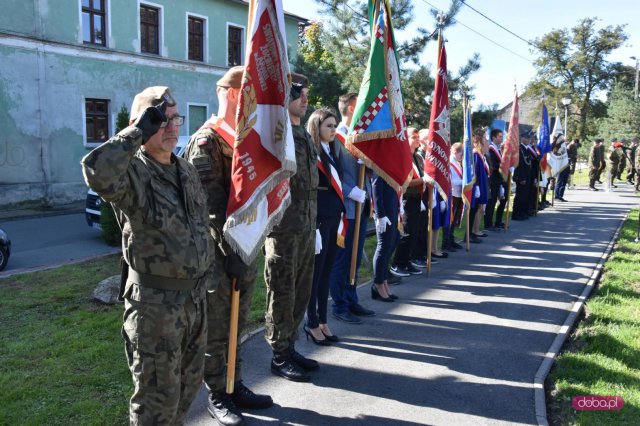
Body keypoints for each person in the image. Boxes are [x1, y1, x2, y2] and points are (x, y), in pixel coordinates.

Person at [81, 86, 212, 424]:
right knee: (156, 402)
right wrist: (137, 131)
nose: (170, 128)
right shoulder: (133, 173)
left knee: (188, 387)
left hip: (194, 303)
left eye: (174, 119)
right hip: (155, 310)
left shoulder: (185, 170)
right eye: (160, 120)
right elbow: (97, 172)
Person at [183, 67, 272, 426]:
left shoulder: (242, 138)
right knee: (218, 326)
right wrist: (230, 250)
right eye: (251, 98)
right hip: (218, 254)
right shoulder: (208, 140)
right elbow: (210, 208)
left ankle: (235, 384)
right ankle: (217, 393)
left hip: (243, 248)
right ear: (235, 95)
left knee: (239, 318)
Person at [264, 72, 320, 382]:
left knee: (301, 292)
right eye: (297, 92)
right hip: (283, 231)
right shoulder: (277, 133)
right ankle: (278, 354)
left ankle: (290, 344)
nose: (304, 97)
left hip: (306, 228)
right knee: (282, 293)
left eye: (305, 91)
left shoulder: (303, 136)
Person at [330, 93, 376, 324]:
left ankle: (351, 297)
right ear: (350, 108)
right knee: (342, 258)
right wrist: (350, 191)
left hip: (362, 204)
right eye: (360, 105)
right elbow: (332, 173)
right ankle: (339, 304)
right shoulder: (336, 138)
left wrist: (370, 165)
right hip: (346, 208)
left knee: (355, 257)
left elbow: (373, 170)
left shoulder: (359, 137)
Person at [303, 108, 345, 345]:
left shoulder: (331, 151)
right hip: (319, 220)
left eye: (334, 125)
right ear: (317, 127)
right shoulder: (313, 152)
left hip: (333, 218)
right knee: (315, 274)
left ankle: (322, 320)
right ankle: (311, 323)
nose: (333, 130)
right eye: (328, 125)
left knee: (326, 272)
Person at [390, 127, 425, 276]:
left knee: (415, 231)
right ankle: (398, 263)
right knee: (407, 232)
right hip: (406, 198)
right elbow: (404, 182)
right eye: (414, 137)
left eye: (418, 137)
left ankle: (407, 260)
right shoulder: (403, 156)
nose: (417, 139)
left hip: (418, 198)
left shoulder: (417, 157)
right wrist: (422, 180)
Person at [371, 172, 400, 302]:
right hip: (384, 211)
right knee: (383, 247)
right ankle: (378, 284)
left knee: (390, 244)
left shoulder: (390, 164)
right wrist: (380, 214)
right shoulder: (380, 163)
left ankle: (384, 281)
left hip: (392, 207)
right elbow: (376, 186)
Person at [469, 129, 489, 239]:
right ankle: (472, 232)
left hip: (482, 186)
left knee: (479, 208)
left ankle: (476, 230)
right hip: (477, 187)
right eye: (485, 141)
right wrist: (476, 186)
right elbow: (474, 172)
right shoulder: (476, 155)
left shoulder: (482, 156)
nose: (487, 144)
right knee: (475, 209)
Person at [484, 129, 507, 229]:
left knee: (502, 200)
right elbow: (492, 164)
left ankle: (498, 221)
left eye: (502, 136)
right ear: (493, 137)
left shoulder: (498, 149)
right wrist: (503, 165)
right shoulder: (490, 149)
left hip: (500, 179)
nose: (501, 138)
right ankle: (488, 223)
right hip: (493, 179)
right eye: (499, 136)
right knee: (492, 201)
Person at [445, 143, 464, 250]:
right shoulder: (450, 162)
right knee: (450, 219)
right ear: (455, 152)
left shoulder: (457, 162)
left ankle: (451, 239)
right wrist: (463, 182)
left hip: (458, 194)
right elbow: (450, 181)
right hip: (452, 194)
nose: (462, 156)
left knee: (454, 219)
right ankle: (446, 242)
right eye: (461, 153)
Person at [512, 130, 533, 220]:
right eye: (527, 138)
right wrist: (521, 178)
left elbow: (528, 163)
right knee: (520, 196)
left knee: (525, 196)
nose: (528, 140)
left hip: (527, 176)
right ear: (522, 138)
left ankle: (523, 212)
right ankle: (517, 214)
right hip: (521, 177)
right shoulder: (519, 149)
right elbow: (518, 165)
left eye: (529, 138)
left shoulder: (527, 149)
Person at [552, 134, 570, 202]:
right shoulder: (557, 145)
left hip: (566, 165)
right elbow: (555, 152)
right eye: (562, 137)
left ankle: (560, 195)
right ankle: (557, 196)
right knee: (560, 181)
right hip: (560, 165)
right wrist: (562, 141)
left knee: (564, 181)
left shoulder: (565, 146)